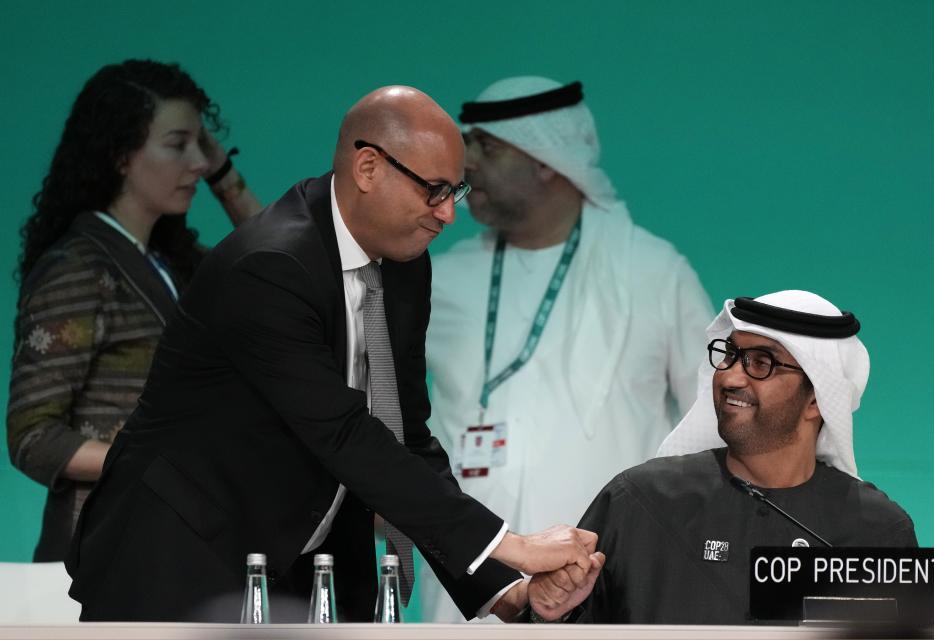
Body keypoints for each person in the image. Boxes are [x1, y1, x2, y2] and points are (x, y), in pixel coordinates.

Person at [65, 85, 597, 623]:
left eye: (454, 192)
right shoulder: (270, 265)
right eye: (434, 190)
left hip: (304, 570)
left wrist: (507, 591)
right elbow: (342, 434)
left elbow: (404, 437)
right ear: (368, 167)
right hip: (177, 563)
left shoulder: (407, 264)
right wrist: (512, 543)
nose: (447, 214)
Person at [418, 76, 713, 621]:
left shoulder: (653, 273)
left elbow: (716, 424)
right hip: (474, 601)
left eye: (486, 147)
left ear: (546, 160)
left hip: (612, 593)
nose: (467, 164)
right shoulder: (439, 277)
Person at [526, 290, 918, 624]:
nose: (730, 376)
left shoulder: (877, 532)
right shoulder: (641, 501)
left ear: (817, 399)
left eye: (760, 363)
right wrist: (544, 611)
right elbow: (558, 621)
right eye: (729, 354)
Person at [6, 59, 262, 562]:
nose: (197, 162)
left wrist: (225, 175)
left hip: (167, 547)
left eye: (201, 146)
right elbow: (32, 437)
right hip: (102, 558)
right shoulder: (77, 268)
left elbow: (277, 266)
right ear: (122, 156)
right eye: (177, 144)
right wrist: (159, 465)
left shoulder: (171, 265)